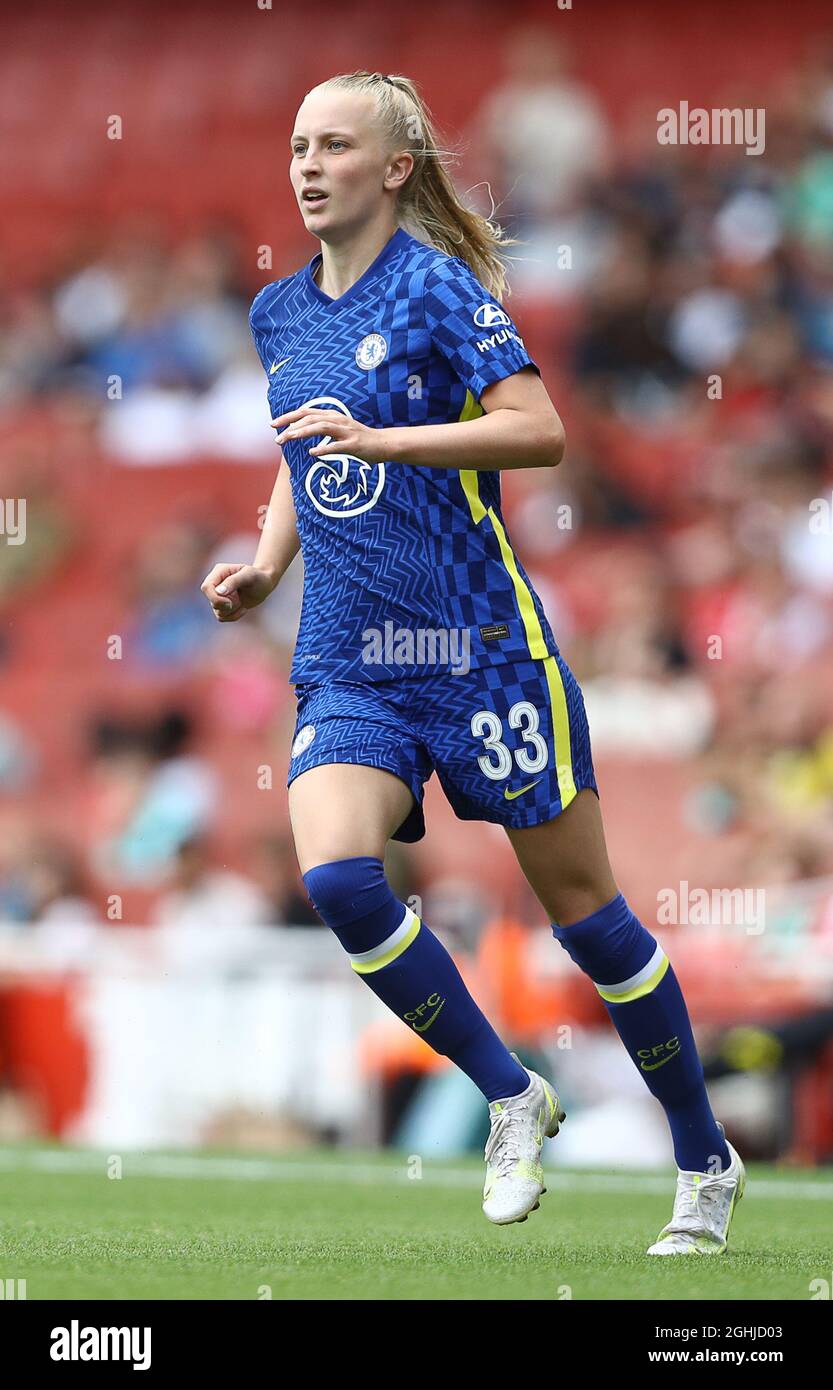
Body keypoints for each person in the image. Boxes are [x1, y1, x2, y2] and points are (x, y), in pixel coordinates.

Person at [200, 70, 745, 1254]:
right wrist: (257, 561)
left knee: (584, 915)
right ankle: (510, 1093)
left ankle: (701, 1156)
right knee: (340, 880)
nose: (306, 166)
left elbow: (537, 429)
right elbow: (303, 456)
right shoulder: (277, 314)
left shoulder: (441, 289)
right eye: (296, 144)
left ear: (394, 168)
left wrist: (387, 439)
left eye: (334, 145)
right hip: (348, 655)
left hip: (478, 648)